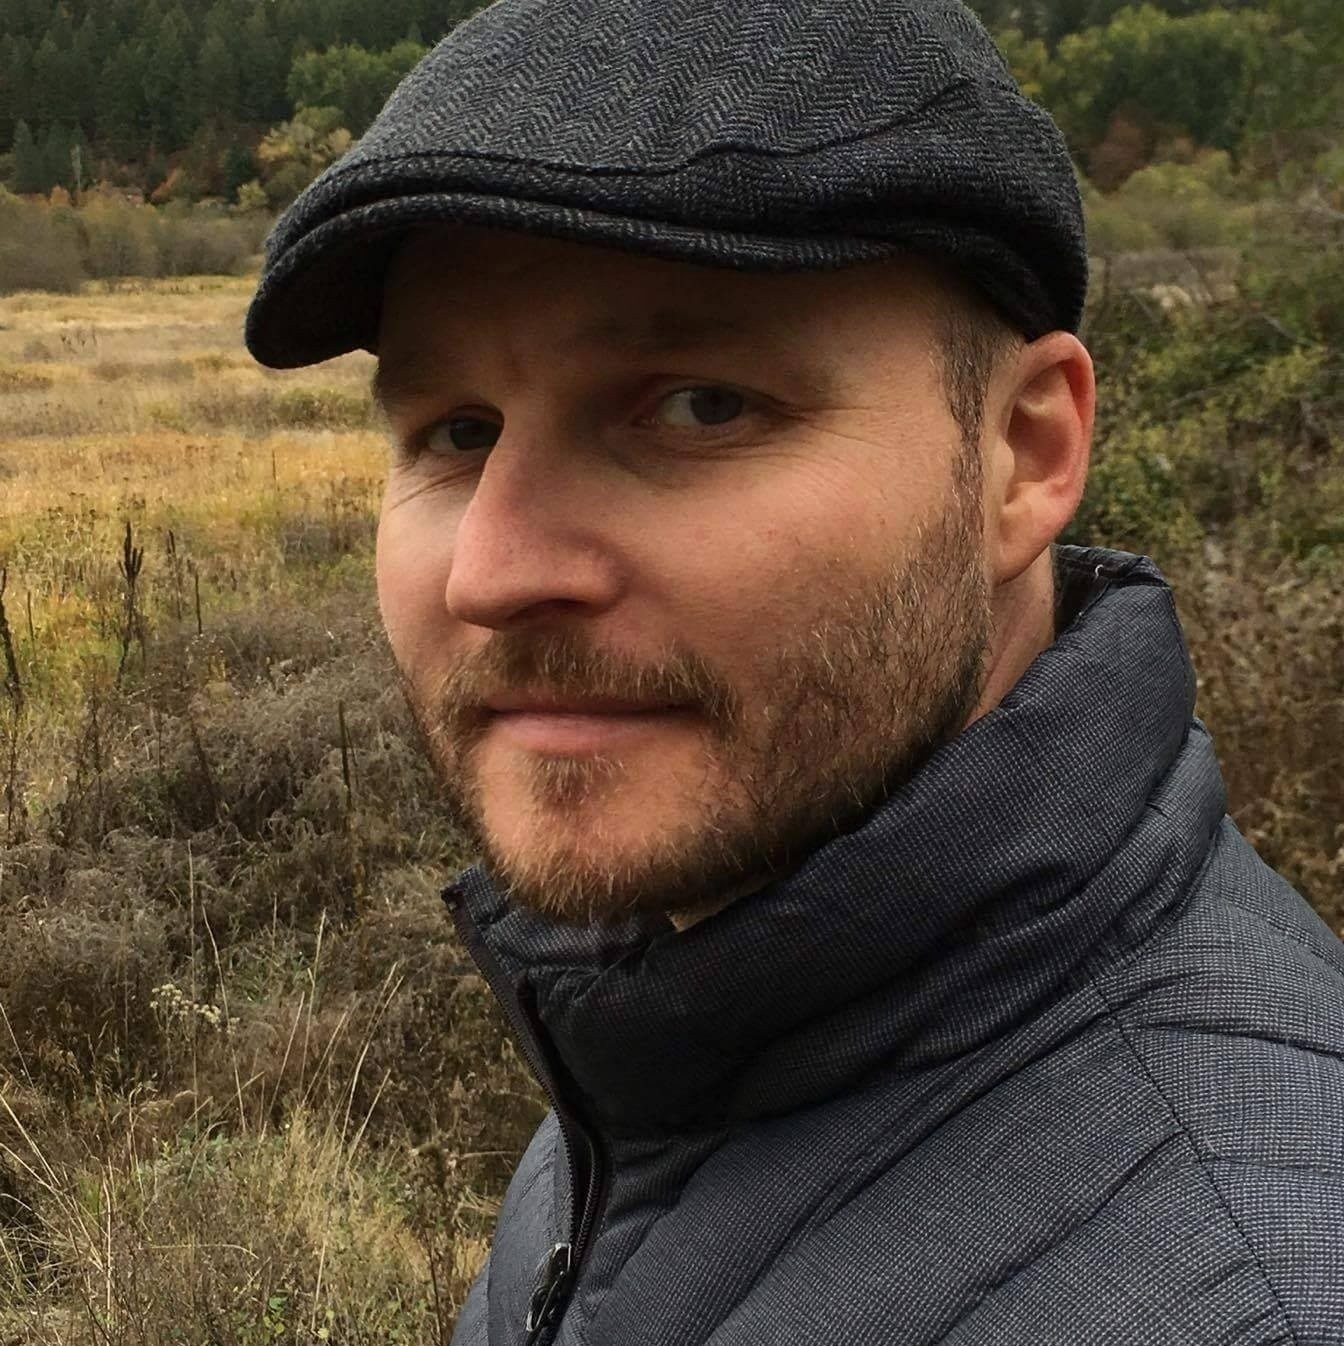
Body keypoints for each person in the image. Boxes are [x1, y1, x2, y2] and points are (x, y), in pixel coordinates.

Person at [245, 0, 1344, 1341]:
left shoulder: (1255, 1280)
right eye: (456, 431)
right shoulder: (684, 1014)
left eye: (700, 405)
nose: (491, 573)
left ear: (1025, 454)